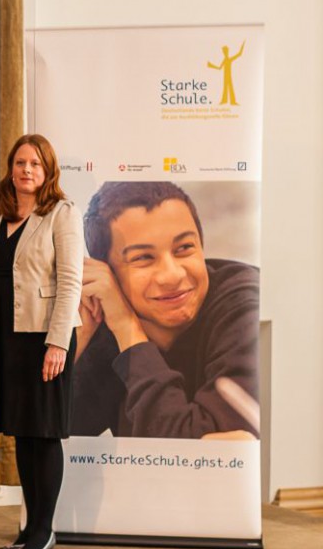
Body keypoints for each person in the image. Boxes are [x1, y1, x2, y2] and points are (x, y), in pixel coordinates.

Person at [71, 181, 260, 439]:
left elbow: (195, 455)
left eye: (184, 249)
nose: (171, 275)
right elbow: (40, 440)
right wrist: (74, 340)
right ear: (109, 276)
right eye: (143, 258)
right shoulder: (106, 320)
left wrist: (129, 330)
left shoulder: (245, 307)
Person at [0, 134, 83, 549]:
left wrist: (57, 342)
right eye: (20, 162)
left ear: (48, 172)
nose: (26, 170)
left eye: (35, 165)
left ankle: (44, 529)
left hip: (43, 337)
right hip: (5, 336)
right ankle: (29, 526)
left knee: (43, 432)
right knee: (22, 432)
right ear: (11, 168)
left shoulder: (62, 213)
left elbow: (71, 281)